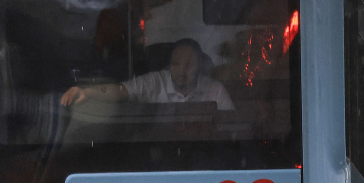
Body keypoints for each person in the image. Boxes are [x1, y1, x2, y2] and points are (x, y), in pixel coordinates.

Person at [60, 38, 234, 110]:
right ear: (169, 65)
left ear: (199, 66)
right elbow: (120, 91)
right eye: (175, 64)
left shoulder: (215, 89)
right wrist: (86, 92)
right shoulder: (155, 82)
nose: (181, 71)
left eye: (189, 65)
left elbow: (230, 126)